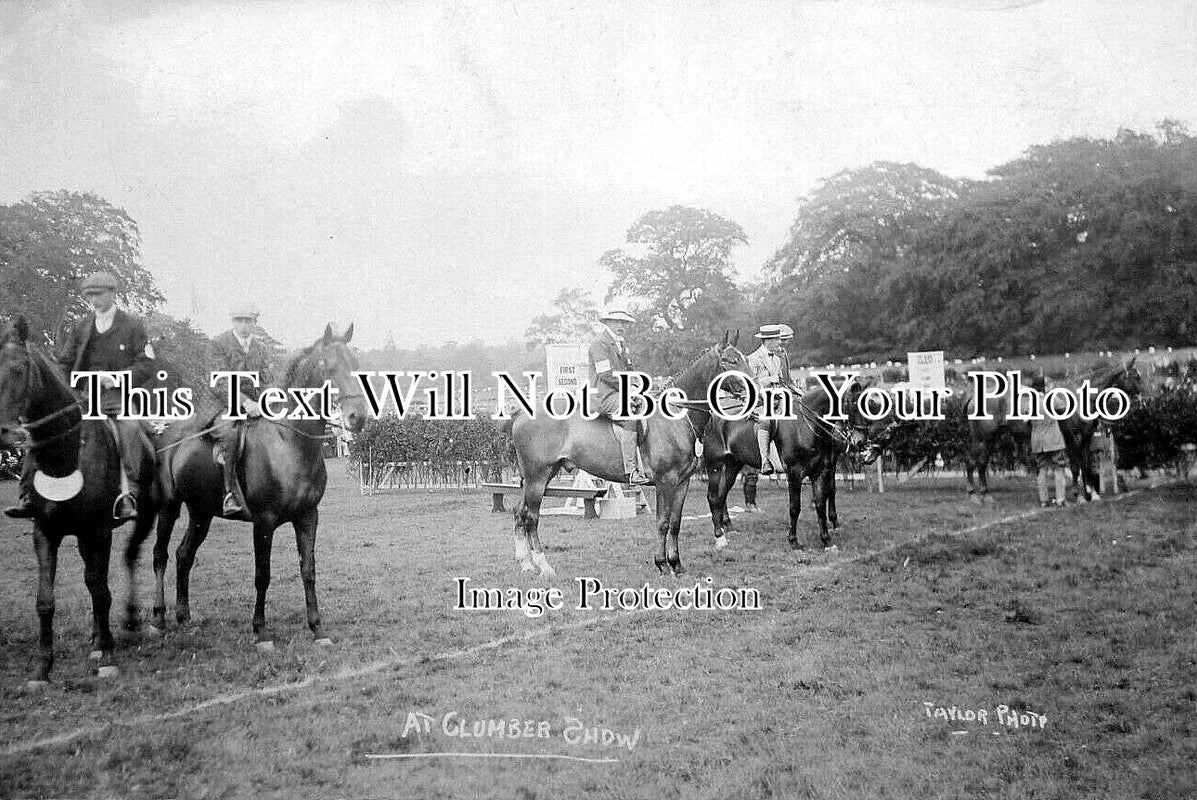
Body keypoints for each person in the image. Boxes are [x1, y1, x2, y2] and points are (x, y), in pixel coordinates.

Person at [5, 271, 155, 521]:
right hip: (82, 396)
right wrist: (64, 389)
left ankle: (129, 494)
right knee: (44, 428)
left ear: (112, 294)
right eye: (90, 296)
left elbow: (146, 365)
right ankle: (28, 495)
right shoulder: (81, 326)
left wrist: (117, 378)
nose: (94, 300)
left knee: (129, 429)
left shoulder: (132, 326)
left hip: (116, 398)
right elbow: (65, 363)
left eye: (99, 295)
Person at [199, 305, 275, 519]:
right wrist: (246, 402)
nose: (243, 325)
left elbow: (267, 379)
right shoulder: (217, 344)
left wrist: (267, 398)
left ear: (254, 323)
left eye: (247, 321)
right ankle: (228, 494)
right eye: (238, 320)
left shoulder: (260, 348)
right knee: (231, 434)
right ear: (232, 321)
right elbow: (219, 382)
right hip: (220, 405)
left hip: (252, 406)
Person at [589, 308, 650, 486]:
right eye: (617, 322)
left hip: (620, 392)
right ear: (607, 323)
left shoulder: (622, 344)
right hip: (603, 395)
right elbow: (605, 374)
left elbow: (629, 370)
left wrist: (638, 386)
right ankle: (631, 471)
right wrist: (628, 388)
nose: (621, 326)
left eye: (624, 323)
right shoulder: (599, 343)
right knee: (630, 417)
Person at [745, 323, 799, 476]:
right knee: (766, 420)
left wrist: (793, 391)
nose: (780, 342)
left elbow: (782, 382)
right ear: (768, 340)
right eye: (777, 339)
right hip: (759, 401)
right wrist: (769, 380)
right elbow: (751, 385)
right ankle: (765, 461)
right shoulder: (753, 359)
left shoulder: (776, 359)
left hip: (777, 400)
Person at [1028, 375, 1070, 508]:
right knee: (1059, 469)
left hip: (1037, 441)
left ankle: (1044, 501)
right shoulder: (1051, 399)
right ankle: (1060, 499)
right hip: (1053, 440)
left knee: (1042, 470)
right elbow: (1064, 408)